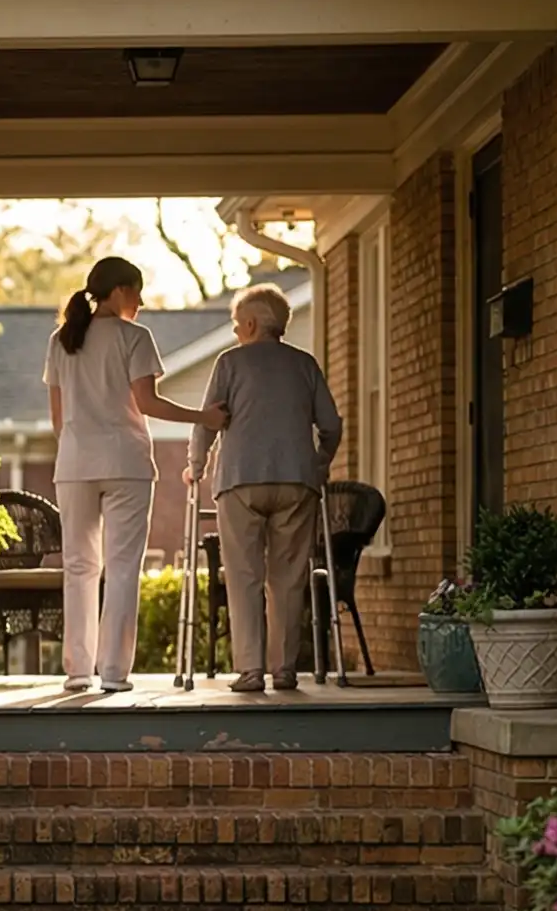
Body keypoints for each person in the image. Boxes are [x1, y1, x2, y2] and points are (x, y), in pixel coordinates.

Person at [46, 257, 227, 693]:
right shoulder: (134, 337)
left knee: (78, 568)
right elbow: (148, 403)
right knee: (123, 567)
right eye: (137, 291)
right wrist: (204, 416)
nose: (141, 302)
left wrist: (78, 446)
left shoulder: (62, 340)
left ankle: (76, 672)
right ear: (118, 291)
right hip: (125, 463)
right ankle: (113, 673)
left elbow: (58, 418)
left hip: (74, 465)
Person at [185, 282, 344, 693]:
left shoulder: (230, 363)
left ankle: (251, 669)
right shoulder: (305, 365)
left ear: (252, 324)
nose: (236, 332)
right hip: (297, 480)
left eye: (238, 325)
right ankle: (285, 669)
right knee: (289, 577)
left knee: (243, 575)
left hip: (240, 479)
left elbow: (209, 418)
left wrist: (195, 465)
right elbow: (331, 425)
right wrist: (320, 462)